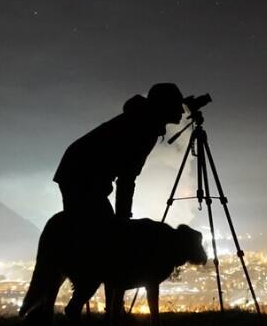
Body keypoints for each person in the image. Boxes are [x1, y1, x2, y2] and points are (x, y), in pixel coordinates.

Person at [53, 83, 185, 223]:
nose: (182, 111)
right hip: (79, 173)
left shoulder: (142, 120)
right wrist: (123, 219)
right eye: (177, 105)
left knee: (92, 227)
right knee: (96, 228)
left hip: (77, 170)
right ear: (165, 105)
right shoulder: (144, 128)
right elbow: (127, 178)